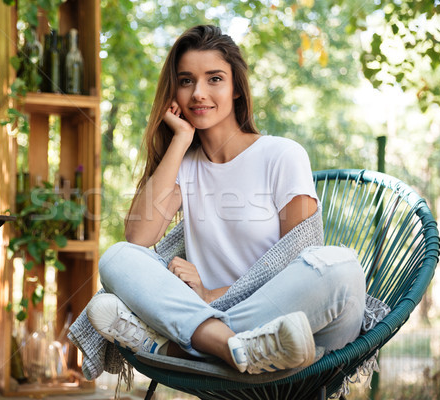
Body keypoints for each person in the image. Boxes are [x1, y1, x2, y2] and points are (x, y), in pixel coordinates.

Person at [85, 25, 365, 374]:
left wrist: (209, 296)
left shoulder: (282, 155)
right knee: (117, 258)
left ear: (235, 89)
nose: (198, 92)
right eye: (186, 81)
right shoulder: (184, 167)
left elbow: (298, 260)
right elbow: (139, 238)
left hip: (284, 317)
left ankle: (182, 348)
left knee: (339, 267)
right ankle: (232, 349)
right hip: (260, 340)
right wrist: (181, 139)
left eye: (214, 79)